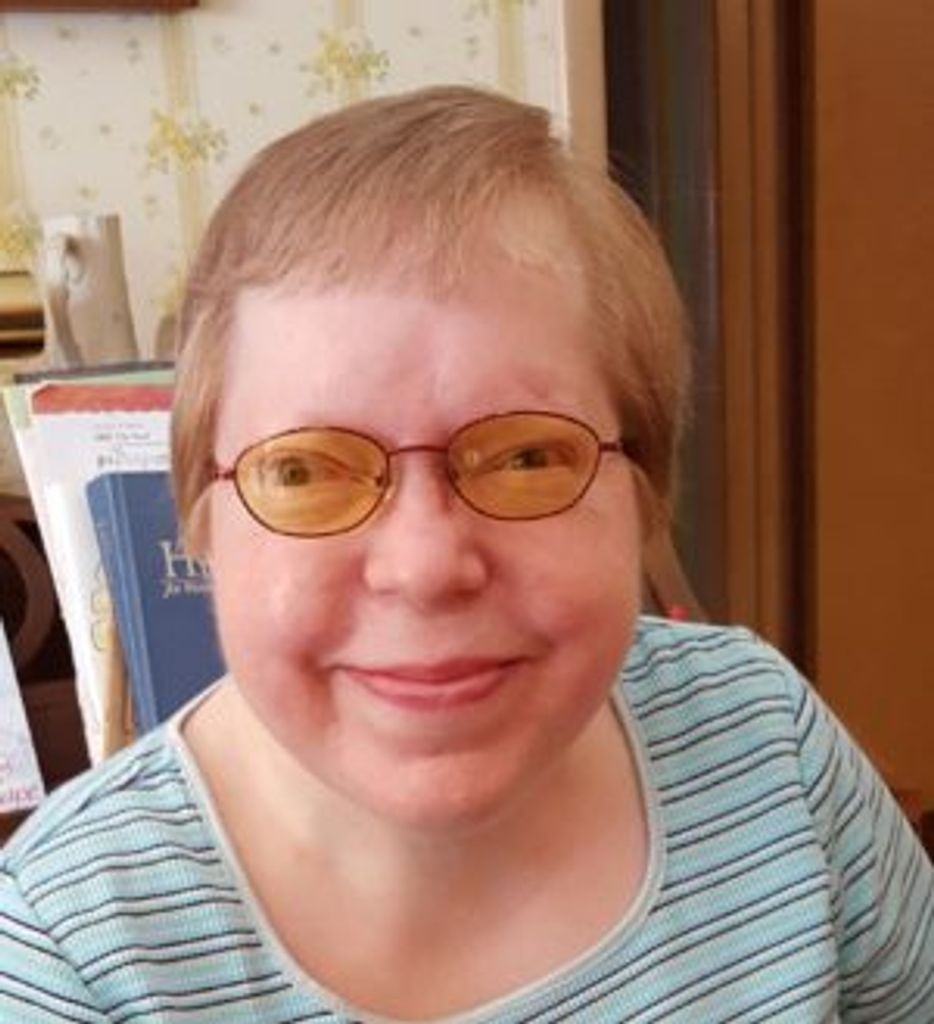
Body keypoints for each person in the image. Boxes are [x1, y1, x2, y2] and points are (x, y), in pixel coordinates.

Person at [1, 85, 931, 1023]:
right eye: (307, 471)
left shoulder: (768, 743)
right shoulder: (64, 953)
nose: (424, 566)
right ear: (200, 518)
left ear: (645, 493)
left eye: (528, 459)